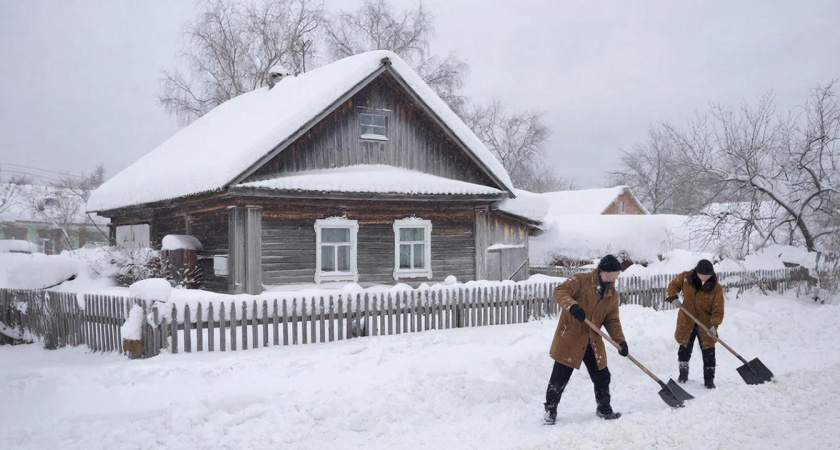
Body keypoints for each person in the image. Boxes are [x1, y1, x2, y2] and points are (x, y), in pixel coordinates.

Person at [543, 254, 628, 425]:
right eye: (616, 273)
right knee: (559, 377)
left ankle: (604, 408)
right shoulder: (581, 280)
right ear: (607, 272)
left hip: (593, 340)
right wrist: (572, 306)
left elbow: (612, 320)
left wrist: (621, 341)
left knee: (603, 376)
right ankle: (550, 410)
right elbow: (559, 291)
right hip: (571, 337)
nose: (618, 276)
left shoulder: (612, 294)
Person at [665, 259, 725, 389]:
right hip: (686, 320)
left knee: (709, 351)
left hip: (706, 323)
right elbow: (673, 285)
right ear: (696, 272)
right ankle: (683, 376)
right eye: (701, 275)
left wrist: (714, 326)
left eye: (707, 276)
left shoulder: (716, 288)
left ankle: (709, 380)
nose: (704, 278)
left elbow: (718, 310)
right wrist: (673, 297)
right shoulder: (686, 277)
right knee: (684, 349)